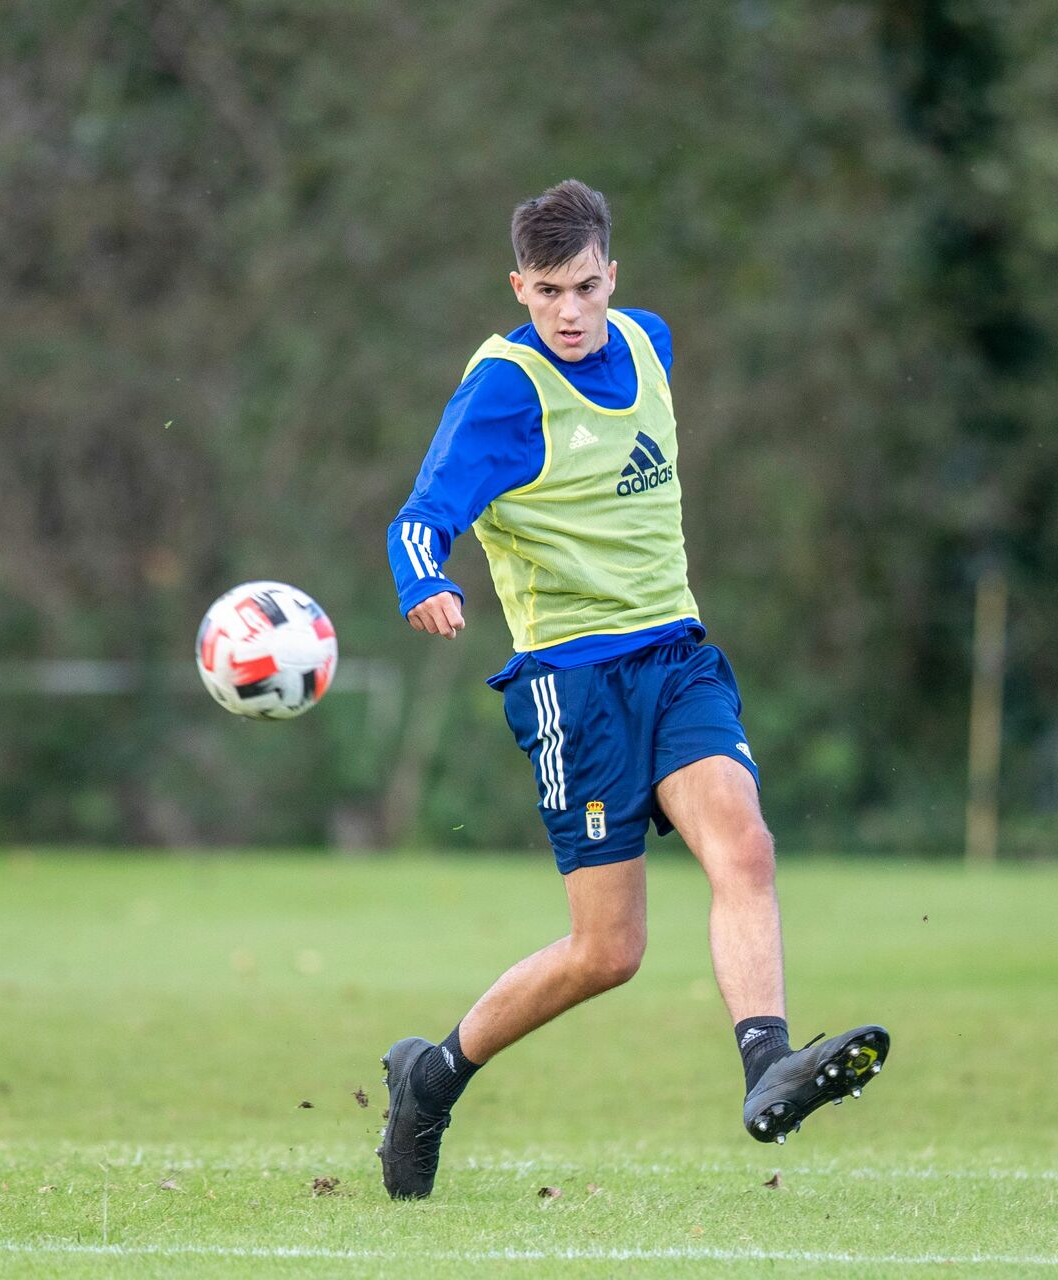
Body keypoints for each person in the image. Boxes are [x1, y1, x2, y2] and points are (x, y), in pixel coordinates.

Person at [376, 179, 889, 1201]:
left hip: (676, 654)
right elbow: (420, 518)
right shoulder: (506, 391)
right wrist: (424, 579)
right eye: (547, 292)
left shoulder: (649, 343)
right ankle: (429, 1081)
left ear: (613, 275)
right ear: (518, 288)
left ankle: (767, 1064)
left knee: (745, 844)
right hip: (574, 684)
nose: (569, 312)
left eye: (585, 287)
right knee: (608, 951)